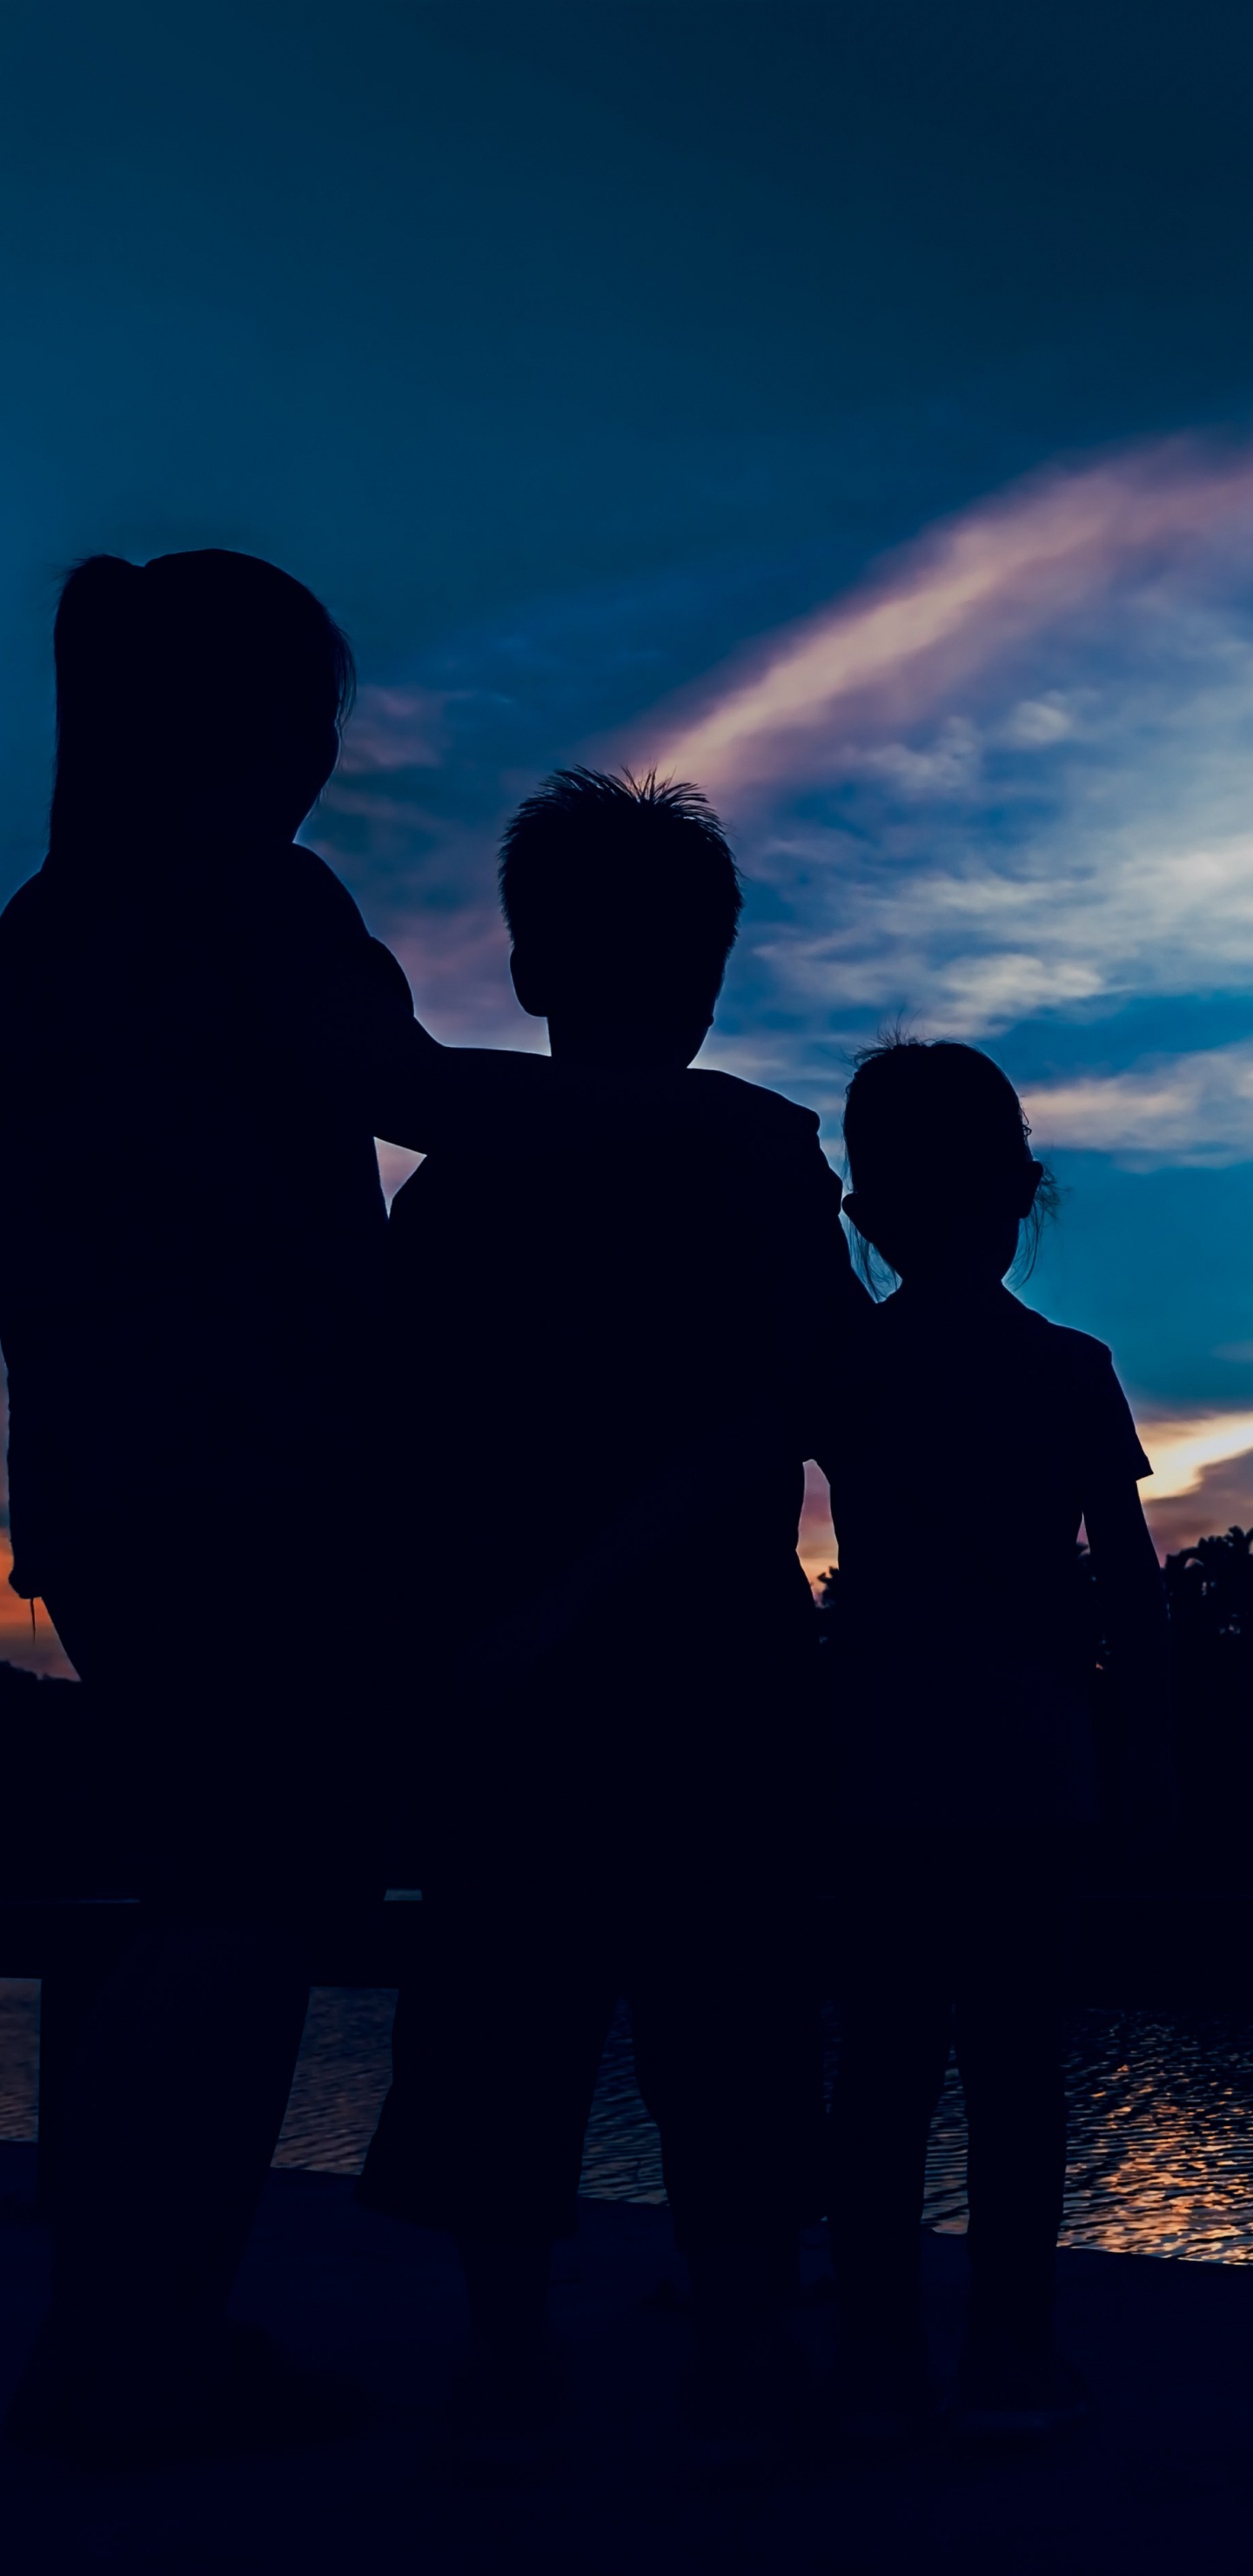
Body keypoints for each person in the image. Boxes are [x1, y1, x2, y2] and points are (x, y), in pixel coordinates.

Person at [0, 556, 809, 2467]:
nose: (328, 759)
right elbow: (410, 1092)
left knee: (211, 1894)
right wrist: (712, 1118)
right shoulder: (253, 905)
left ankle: (126, 2330)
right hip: (250, 1491)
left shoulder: (43, 933)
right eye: (316, 725)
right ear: (267, 731)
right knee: (248, 1904)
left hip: (105, 1492)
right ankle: (139, 2353)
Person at [362, 766, 860, 2472]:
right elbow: (793, 1406)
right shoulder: (762, 1154)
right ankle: (733, 2350)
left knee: (509, 2016)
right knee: (730, 2017)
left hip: (511, 1674)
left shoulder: (449, 1196)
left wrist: (498, 1617)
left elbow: (394, 1444)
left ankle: (512, 2360)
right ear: (711, 975)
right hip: (710, 1665)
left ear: (524, 972)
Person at [817, 1035, 1172, 2443]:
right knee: (1019, 2077)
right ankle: (1013, 2354)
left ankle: (877, 2358)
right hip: (1036, 1765)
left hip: (885, 1763)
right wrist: (1153, 1761)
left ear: (871, 1210)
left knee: (887, 2078)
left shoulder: (847, 1368)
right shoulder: (1072, 1371)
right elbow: (1135, 1591)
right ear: (1019, 1194)